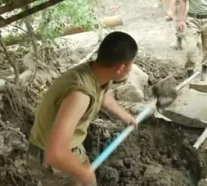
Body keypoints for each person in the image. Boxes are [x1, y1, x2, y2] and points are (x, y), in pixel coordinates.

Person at [26, 31, 139, 186]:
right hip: (49, 158)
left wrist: (125, 116)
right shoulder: (79, 96)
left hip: (68, 147)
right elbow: (55, 154)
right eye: (131, 64)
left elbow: (102, 94)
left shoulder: (95, 72)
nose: (131, 68)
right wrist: (85, 175)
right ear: (120, 68)